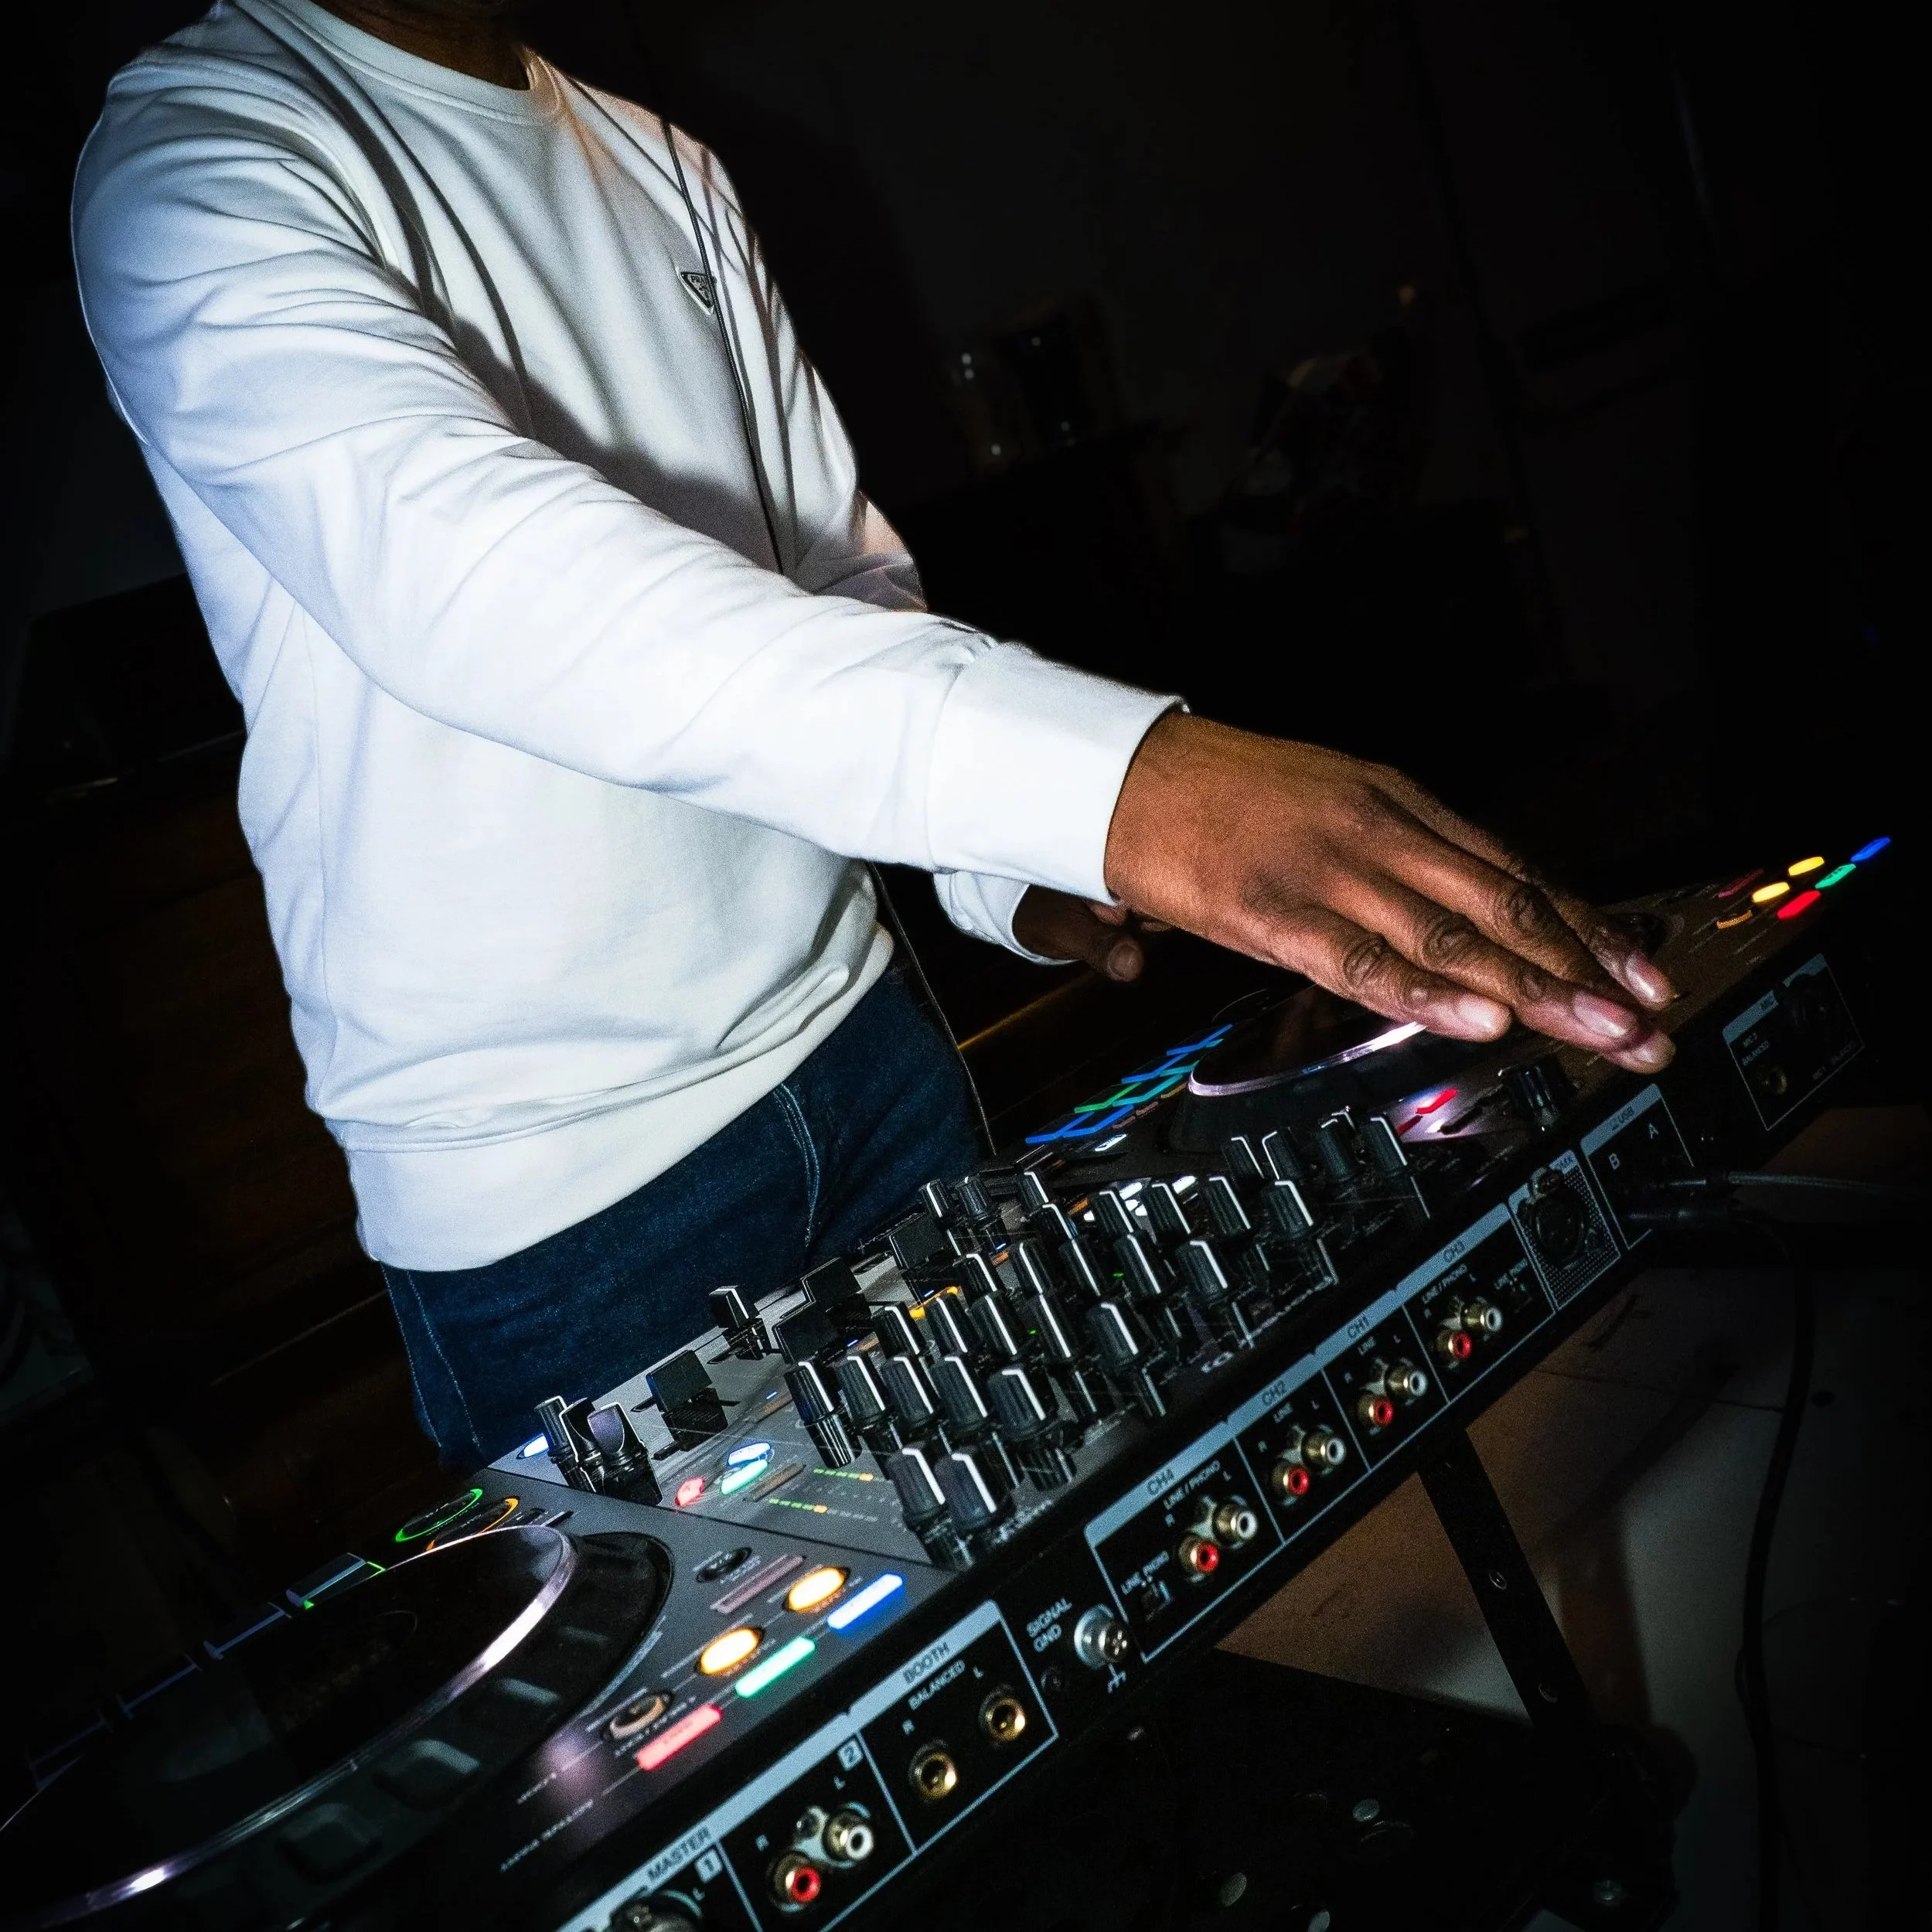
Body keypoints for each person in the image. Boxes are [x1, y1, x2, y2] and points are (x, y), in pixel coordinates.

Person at [73, 0, 1674, 1467]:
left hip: (871, 1058)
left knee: (1056, 1615)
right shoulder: (203, 153)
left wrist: (998, 860)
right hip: (563, 1201)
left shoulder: (658, 159)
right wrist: (1119, 785)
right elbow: (477, 579)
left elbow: (838, 576)